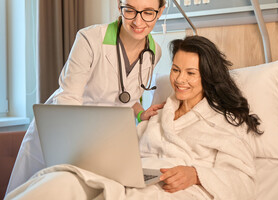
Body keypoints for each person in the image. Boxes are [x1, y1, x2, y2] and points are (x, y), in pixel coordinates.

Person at [6, 36, 262, 200]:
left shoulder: (226, 122)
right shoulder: (161, 113)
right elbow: (128, 150)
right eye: (175, 70)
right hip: (134, 178)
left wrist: (196, 174)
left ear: (207, 76)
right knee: (61, 180)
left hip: (177, 189)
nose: (180, 80)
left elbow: (242, 182)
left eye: (191, 73)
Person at [6, 0, 167, 195]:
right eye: (129, 10)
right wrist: (78, 147)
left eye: (148, 12)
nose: (138, 21)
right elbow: (68, 98)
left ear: (160, 12)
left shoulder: (154, 52)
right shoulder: (90, 39)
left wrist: (142, 114)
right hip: (64, 136)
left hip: (104, 144)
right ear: (118, 6)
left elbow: (128, 99)